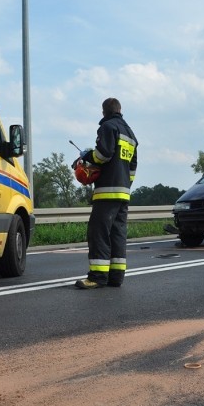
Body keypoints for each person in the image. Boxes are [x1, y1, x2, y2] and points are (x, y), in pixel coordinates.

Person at [74, 98, 138, 289]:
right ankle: (116, 277)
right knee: (117, 234)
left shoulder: (108, 127)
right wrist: (126, 185)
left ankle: (97, 277)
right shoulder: (131, 134)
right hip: (123, 193)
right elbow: (132, 167)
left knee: (99, 233)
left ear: (104, 112)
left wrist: (87, 155)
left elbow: (103, 155)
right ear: (120, 110)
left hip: (106, 192)